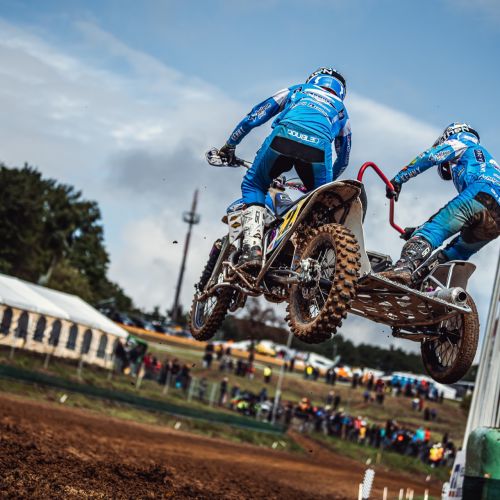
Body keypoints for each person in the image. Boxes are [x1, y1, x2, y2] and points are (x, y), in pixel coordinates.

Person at [218, 67, 351, 268]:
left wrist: (230, 145)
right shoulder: (342, 111)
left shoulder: (297, 90)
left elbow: (255, 116)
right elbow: (343, 159)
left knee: (254, 185)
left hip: (283, 137)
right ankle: (308, 261)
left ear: (313, 79)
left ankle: (253, 249)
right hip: (318, 150)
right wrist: (325, 185)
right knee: (319, 203)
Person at [384, 122, 499, 284]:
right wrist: (417, 228)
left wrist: (398, 179)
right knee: (456, 252)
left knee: (430, 232)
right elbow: (452, 218)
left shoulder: (461, 141)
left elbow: (430, 156)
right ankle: (422, 283)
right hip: (497, 215)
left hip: (481, 192)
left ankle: (403, 268)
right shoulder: (488, 161)